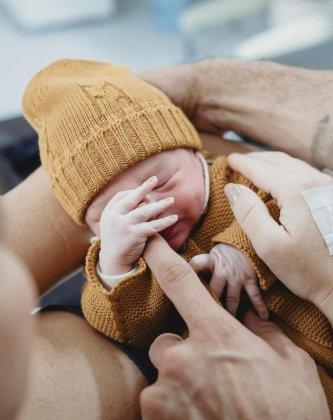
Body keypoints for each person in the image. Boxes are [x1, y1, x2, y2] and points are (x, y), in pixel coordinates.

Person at [0, 57, 332, 419]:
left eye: (162, 181)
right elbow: (128, 328)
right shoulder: (128, 252)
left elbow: (299, 213)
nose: (151, 210)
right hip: (247, 381)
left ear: (197, 153)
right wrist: (114, 267)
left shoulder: (237, 177)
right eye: (116, 210)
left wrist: (240, 251)